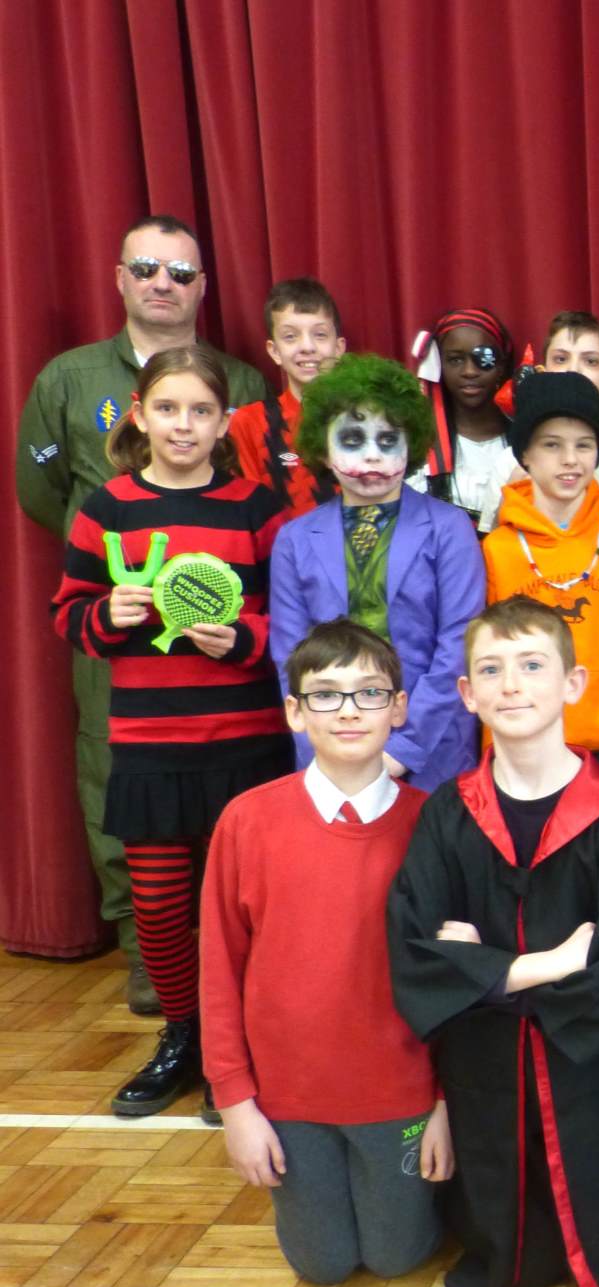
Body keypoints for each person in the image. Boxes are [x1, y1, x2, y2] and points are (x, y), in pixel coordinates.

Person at [387, 596, 599, 1287]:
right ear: (466, 693)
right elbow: (416, 949)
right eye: (491, 670)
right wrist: (547, 964)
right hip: (482, 1069)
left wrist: (481, 970)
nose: (511, 684)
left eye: (532, 665)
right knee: (504, 1228)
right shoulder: (448, 813)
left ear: (573, 683)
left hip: (589, 1070)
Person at [17, 214, 265, 1014]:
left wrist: (245, 634)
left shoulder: (245, 390)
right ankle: (154, 969)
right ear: (120, 278)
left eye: (181, 272)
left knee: (238, 843)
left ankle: (238, 988)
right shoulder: (70, 381)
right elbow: (41, 493)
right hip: (130, 664)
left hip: (233, 690)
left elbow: (275, 575)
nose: (163, 283)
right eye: (148, 268)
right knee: (122, 796)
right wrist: (113, 593)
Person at [50, 345, 292, 1117]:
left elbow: (291, 620)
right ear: (140, 415)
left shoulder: (258, 508)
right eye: (167, 408)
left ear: (224, 423)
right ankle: (184, 1035)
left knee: (240, 910)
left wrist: (245, 638)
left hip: (247, 744)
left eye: (200, 410)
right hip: (151, 745)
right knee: (157, 907)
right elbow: (68, 616)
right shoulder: (108, 509)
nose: (183, 424)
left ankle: (239, 1047)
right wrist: (107, 613)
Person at [201, 620, 450, 1283]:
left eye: (369, 693)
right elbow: (220, 972)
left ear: (399, 707)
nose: (348, 710)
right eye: (326, 694)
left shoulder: (434, 823)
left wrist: (445, 1103)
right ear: (294, 711)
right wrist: (236, 1105)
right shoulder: (247, 821)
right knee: (323, 1265)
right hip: (289, 1097)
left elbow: (458, 981)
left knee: (397, 1258)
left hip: (399, 1092)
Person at [271, 354, 485, 797]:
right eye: (352, 439)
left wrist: (404, 749)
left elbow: (460, 644)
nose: (372, 455)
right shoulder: (294, 539)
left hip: (434, 749)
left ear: (412, 446)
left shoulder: (449, 527)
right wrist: (327, 747)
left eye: (388, 440)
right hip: (331, 747)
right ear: (323, 448)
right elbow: (289, 654)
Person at [484, 371, 599, 808]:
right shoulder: (498, 548)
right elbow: (489, 662)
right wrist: (491, 753)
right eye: (552, 445)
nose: (570, 460)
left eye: (584, 445)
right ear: (525, 454)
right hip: (529, 744)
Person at [494, 310, 599, 513]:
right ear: (542, 374)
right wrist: (510, 499)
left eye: (591, 361)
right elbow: (493, 531)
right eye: (561, 359)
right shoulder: (511, 460)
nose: (573, 370)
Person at [227, 277, 348, 513]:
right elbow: (248, 509)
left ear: (339, 348)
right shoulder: (249, 423)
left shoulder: (363, 418)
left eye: (320, 334)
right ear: (274, 351)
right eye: (291, 336)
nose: (307, 347)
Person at [408, 307, 516, 531]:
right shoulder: (420, 443)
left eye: (482, 358)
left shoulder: (525, 439)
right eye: (455, 360)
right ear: (439, 365)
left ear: (501, 365)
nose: (469, 371)